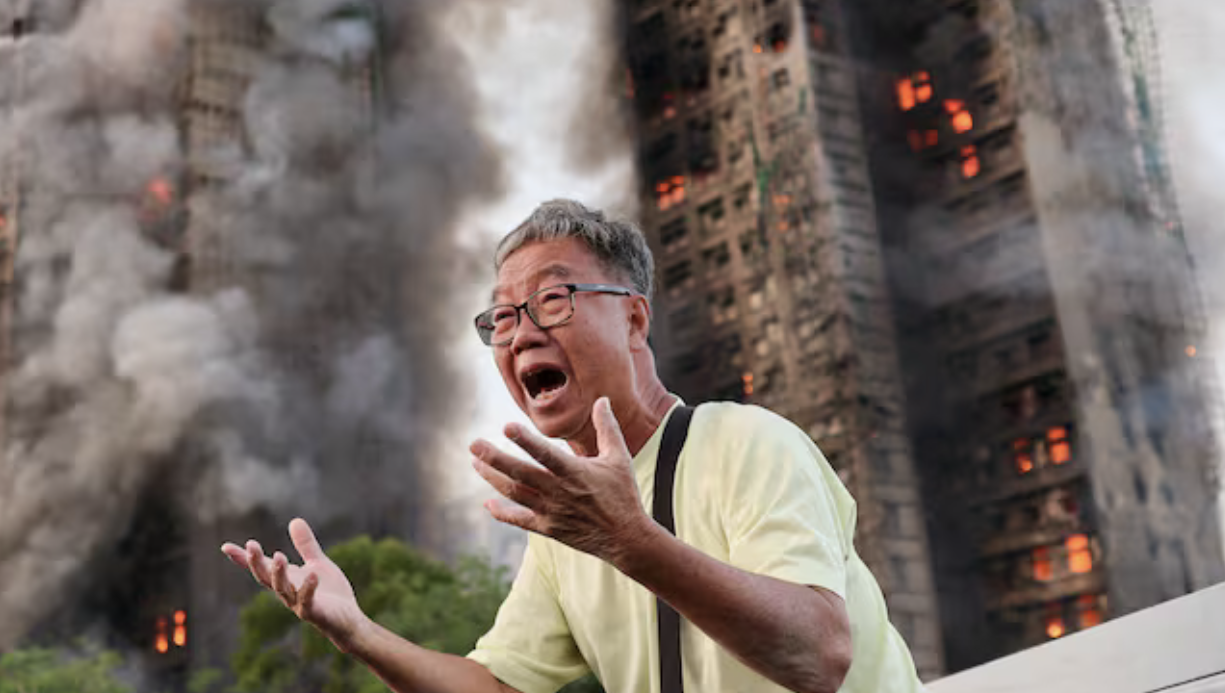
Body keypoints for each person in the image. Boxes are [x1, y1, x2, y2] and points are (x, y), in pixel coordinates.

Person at [221, 199, 922, 693]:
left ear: (635, 321)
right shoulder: (567, 529)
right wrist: (357, 632)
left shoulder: (746, 441)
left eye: (553, 301)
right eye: (501, 317)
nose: (521, 332)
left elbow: (820, 656)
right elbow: (496, 687)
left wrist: (629, 541)